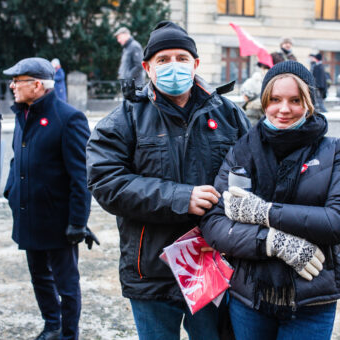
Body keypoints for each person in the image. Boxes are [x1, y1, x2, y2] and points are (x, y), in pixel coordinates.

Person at [86, 21, 250, 340]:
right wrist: (179, 197)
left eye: (181, 57)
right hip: (150, 270)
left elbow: (253, 174)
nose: (173, 65)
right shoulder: (124, 119)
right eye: (162, 60)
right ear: (147, 67)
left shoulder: (230, 115)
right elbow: (106, 183)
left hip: (211, 264)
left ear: (195, 64)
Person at [200, 61, 340, 340]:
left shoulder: (336, 151)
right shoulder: (242, 151)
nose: (284, 109)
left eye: (295, 100)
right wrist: (272, 241)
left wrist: (265, 212)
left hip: (313, 298)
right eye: (275, 99)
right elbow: (214, 223)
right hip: (250, 295)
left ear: (309, 102)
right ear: (265, 102)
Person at [3, 57, 97, 340]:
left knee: (66, 285)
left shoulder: (69, 118)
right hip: (29, 214)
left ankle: (69, 334)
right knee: (39, 278)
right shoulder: (24, 114)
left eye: (17, 81)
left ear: (37, 85)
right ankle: (51, 325)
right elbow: (16, 161)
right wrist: (10, 192)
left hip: (59, 221)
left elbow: (81, 176)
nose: (11, 86)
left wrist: (78, 222)